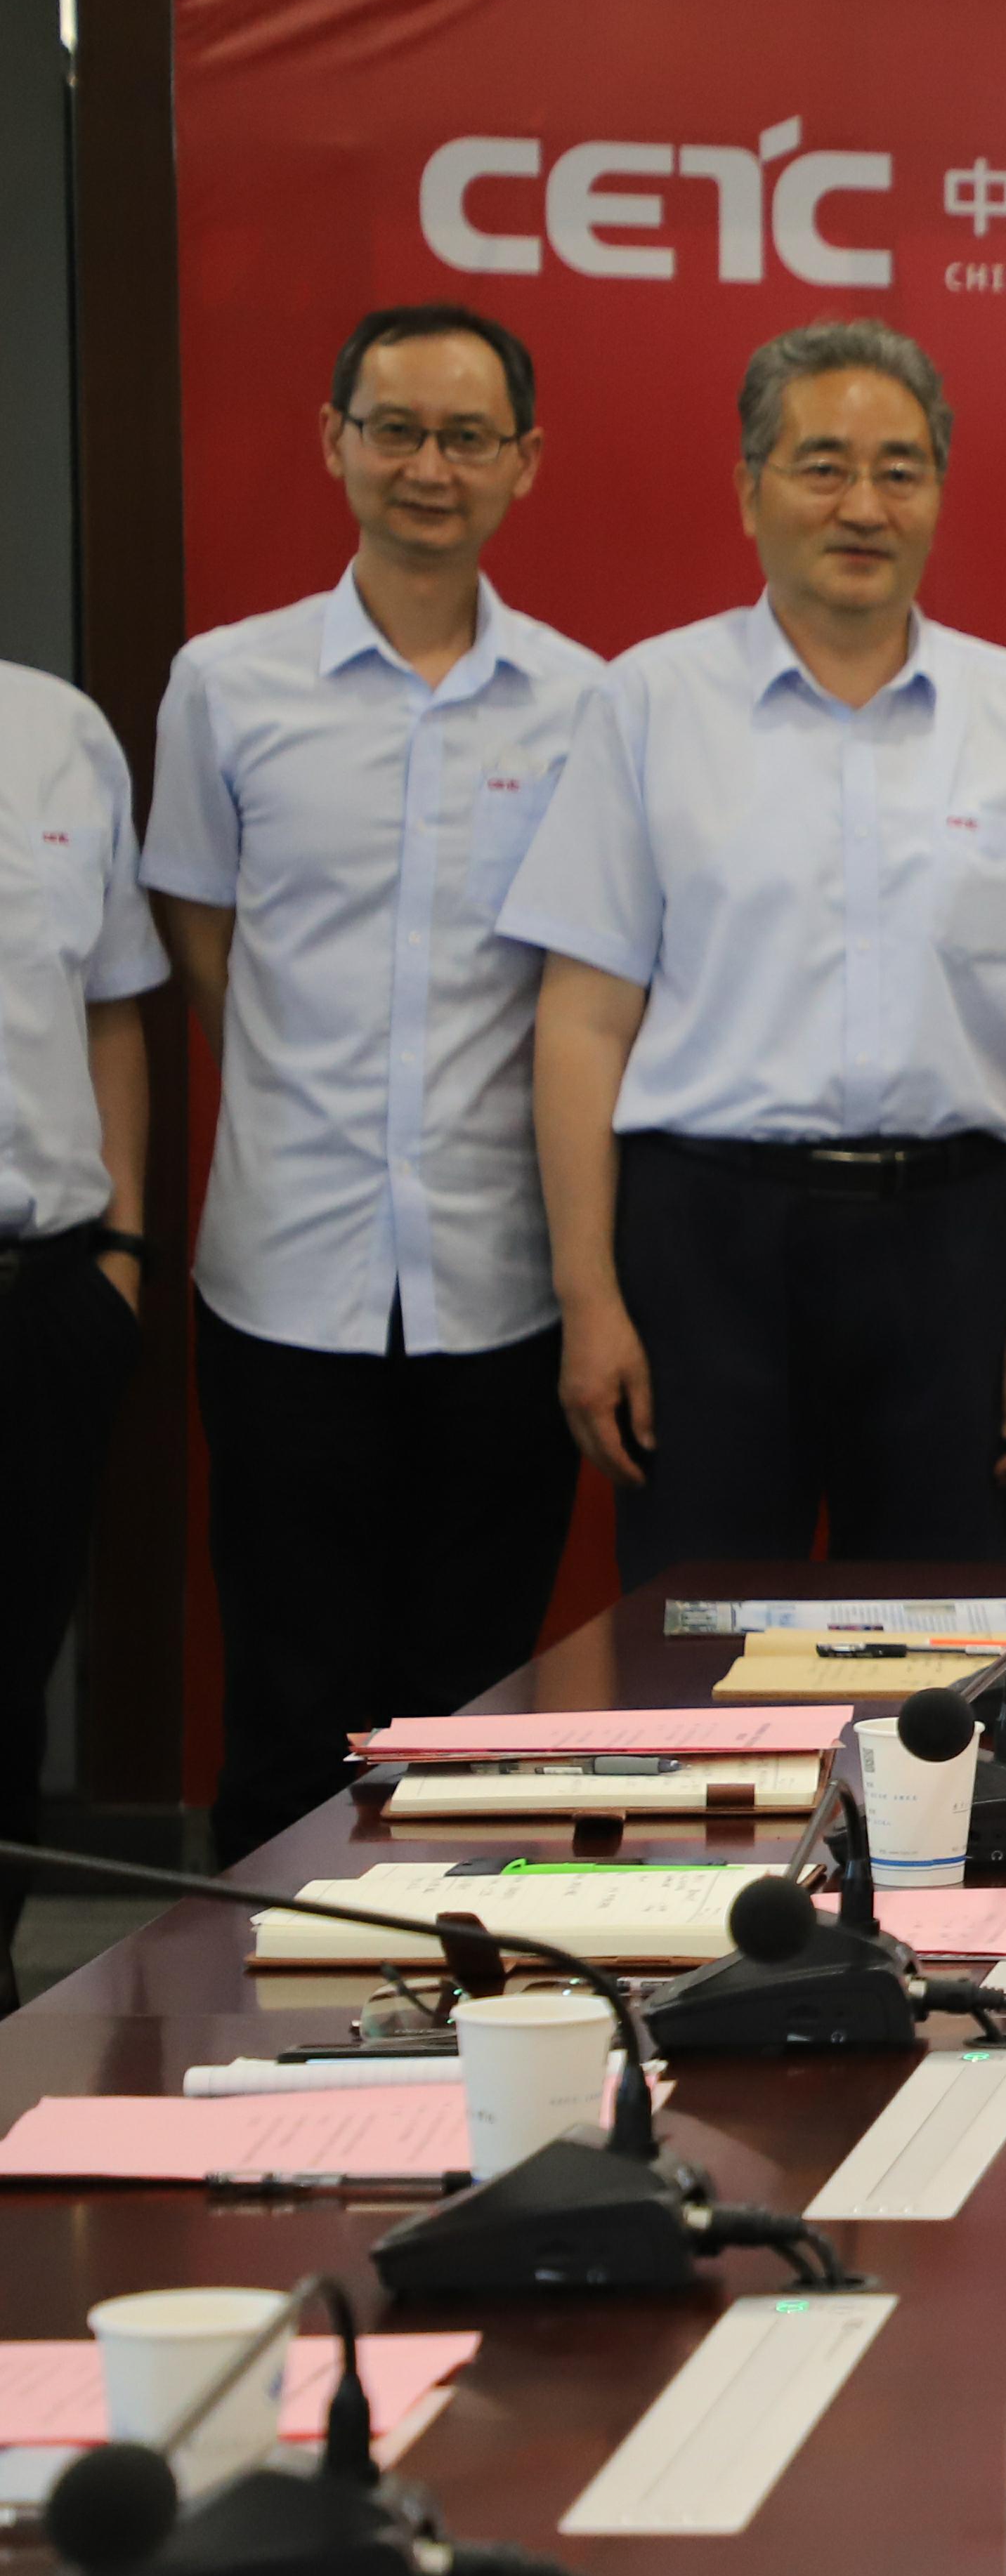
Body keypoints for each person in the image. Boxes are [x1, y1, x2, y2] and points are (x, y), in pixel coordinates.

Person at [498, 318, 1006, 1581]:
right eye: (823, 466)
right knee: (696, 1628)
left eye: (900, 471)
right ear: (750, 490)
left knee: (942, 1626)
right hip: (704, 1238)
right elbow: (584, 1018)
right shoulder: (649, 703)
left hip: (955, 1240)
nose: (864, 506)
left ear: (937, 495)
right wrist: (589, 1295)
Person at [141, 303, 603, 1863]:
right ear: (335, 442)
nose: (428, 466)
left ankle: (455, 1980)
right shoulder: (226, 684)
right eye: (395, 429)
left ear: (524, 463)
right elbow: (202, 932)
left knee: (468, 1693)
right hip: (286, 1273)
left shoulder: (585, 703)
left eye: (467, 437)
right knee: (288, 1692)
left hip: (503, 1276)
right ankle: (266, 1983)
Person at [0, 655, 164, 1970]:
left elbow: (112, 1008)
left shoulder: (57, 730)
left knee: (10, 1681)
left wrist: (121, 1251)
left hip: (46, 1289)